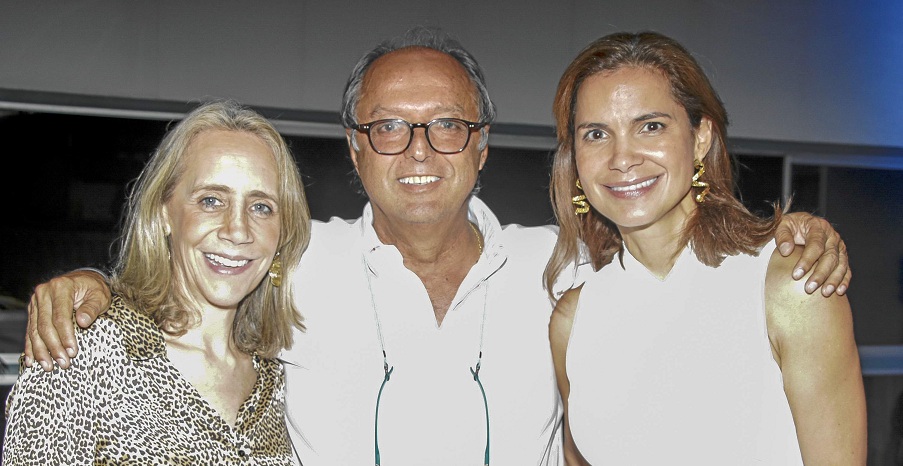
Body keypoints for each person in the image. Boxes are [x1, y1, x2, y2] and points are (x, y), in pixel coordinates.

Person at [20, 28, 850, 466]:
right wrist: (93, 283)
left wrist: (792, 231)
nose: (418, 152)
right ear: (353, 149)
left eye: (446, 126)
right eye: (389, 127)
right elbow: (200, 277)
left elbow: (686, 266)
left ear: (483, 146)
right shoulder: (293, 267)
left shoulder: (556, 275)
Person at [545, 31, 867, 464]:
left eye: (651, 126)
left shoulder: (788, 284)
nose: (622, 158)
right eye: (596, 134)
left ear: (701, 139)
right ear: (576, 161)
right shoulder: (572, 320)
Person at [3, 100, 310, 464]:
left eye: (261, 207)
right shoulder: (84, 349)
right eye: (211, 200)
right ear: (164, 214)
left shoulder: (278, 378)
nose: (238, 230)